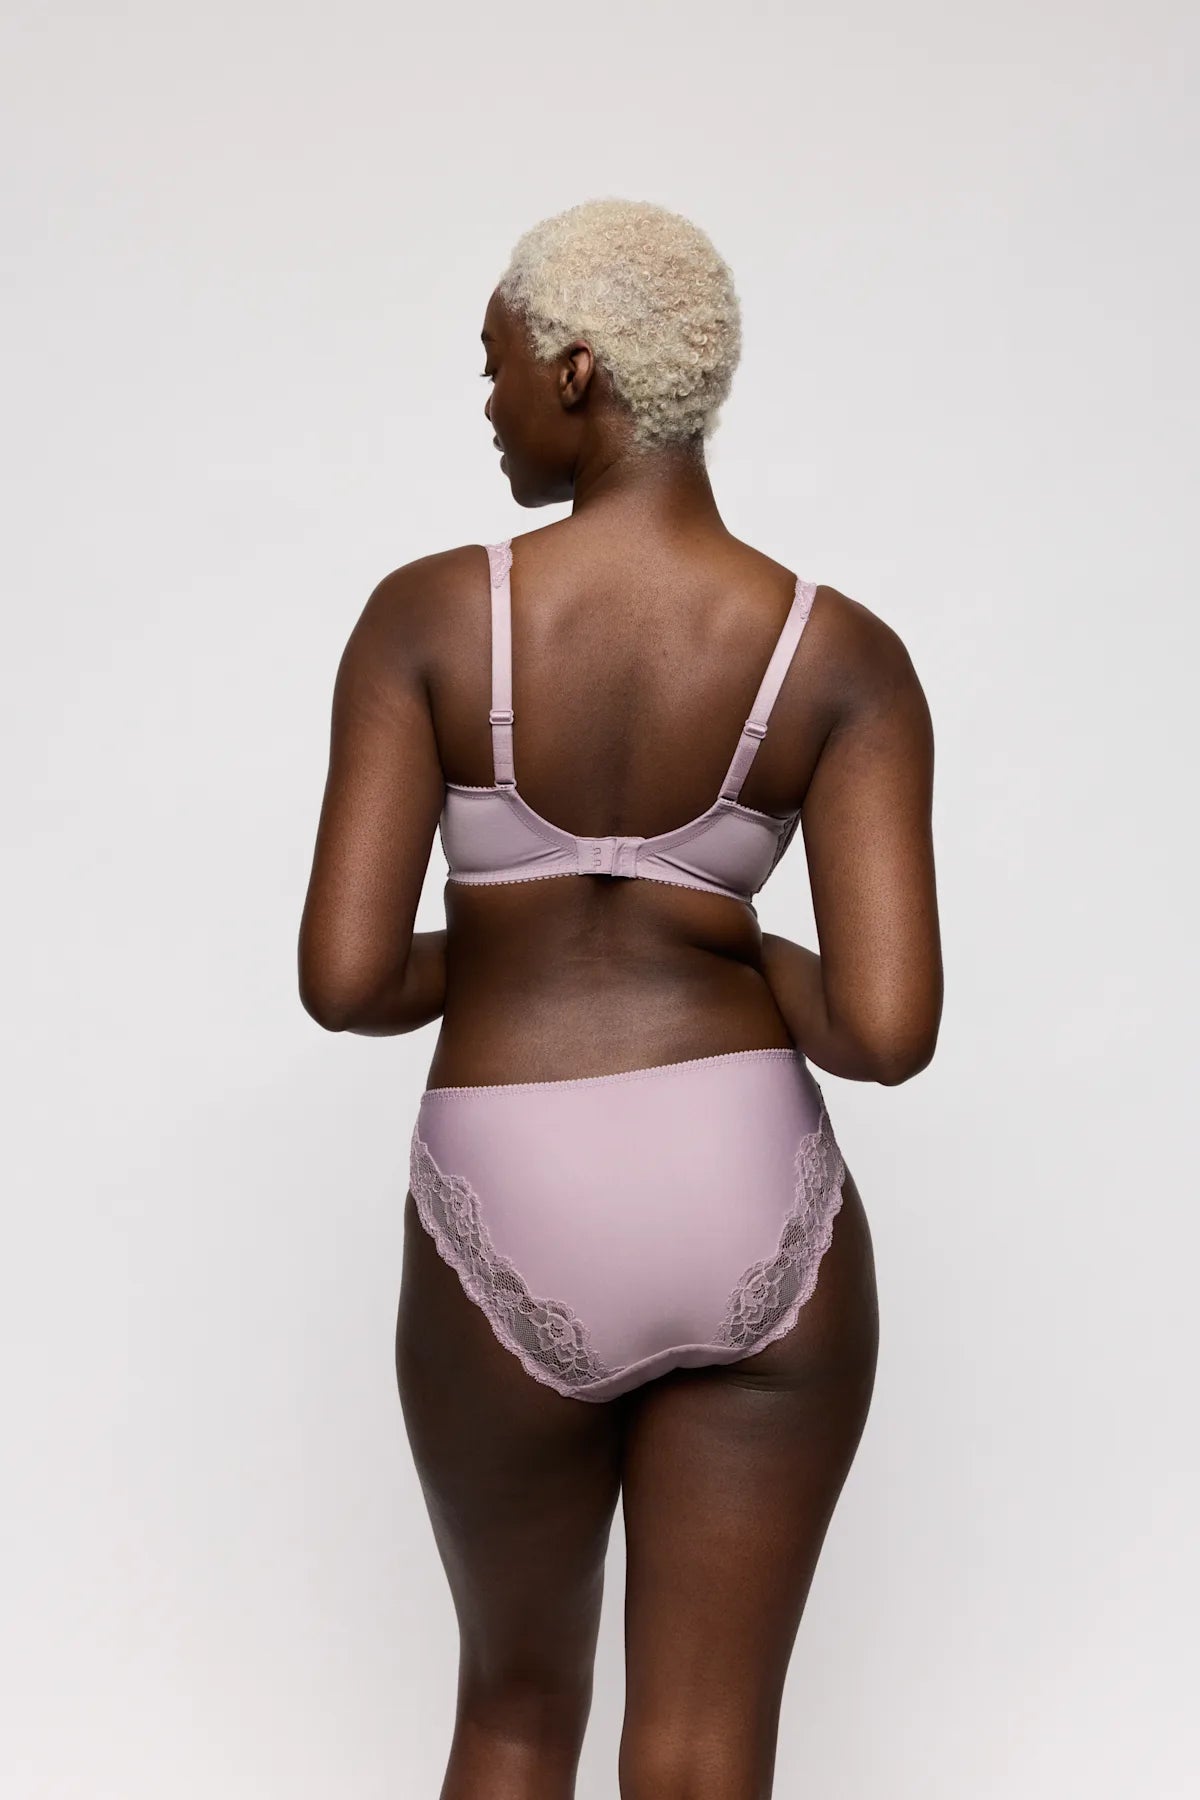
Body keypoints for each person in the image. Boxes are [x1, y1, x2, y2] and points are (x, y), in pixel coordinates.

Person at [298, 196, 942, 1800]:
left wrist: (505, 950)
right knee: (706, 1753)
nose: (489, 402)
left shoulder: (428, 617)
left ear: (577, 370)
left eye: (496, 365)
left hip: (513, 1184)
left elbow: (349, 980)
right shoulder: (841, 656)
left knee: (516, 1714)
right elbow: (884, 1030)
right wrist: (738, 949)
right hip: (752, 1185)